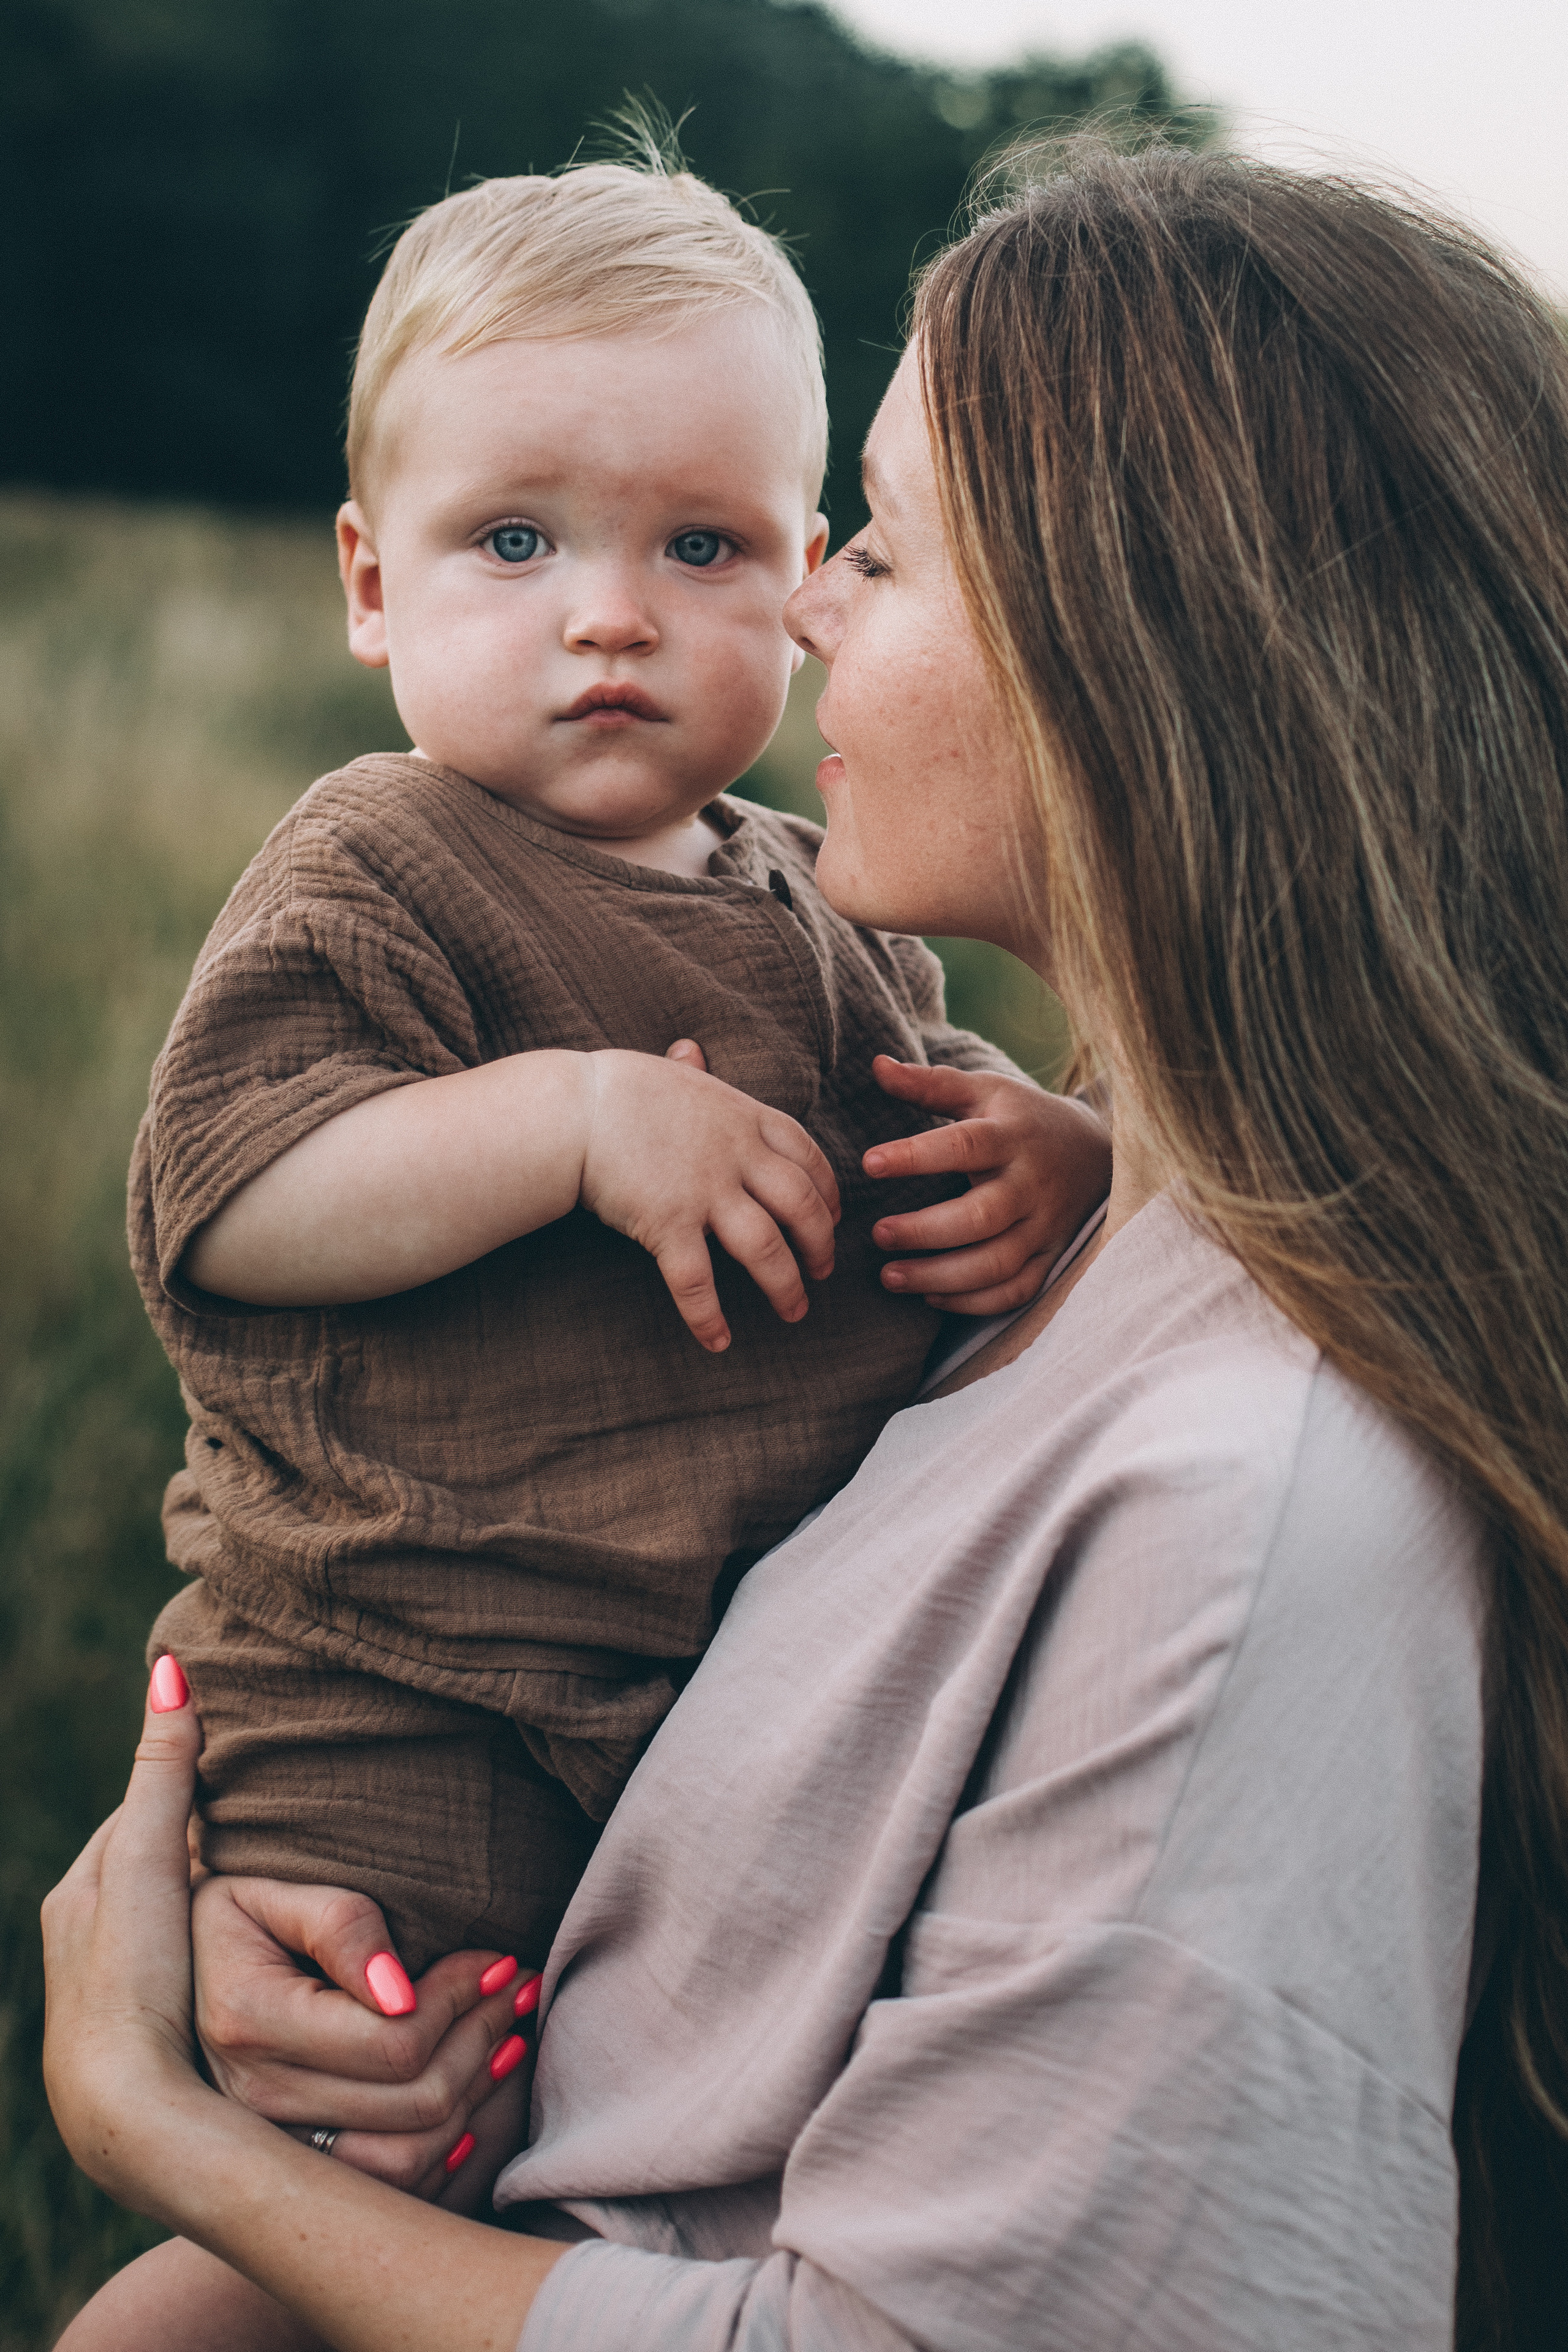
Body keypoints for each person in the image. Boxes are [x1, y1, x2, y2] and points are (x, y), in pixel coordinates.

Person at [45, 138, 1568, 2351]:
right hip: (444, 1840)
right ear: (377, 579)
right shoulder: (1192, 1221)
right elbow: (259, 1247)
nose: (799, 606)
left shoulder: (1264, 1506)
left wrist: (159, 2129)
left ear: (1142, 662)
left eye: (863, 543)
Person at [129, 132, 1106, 2069]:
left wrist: (1059, 1149)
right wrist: (568, 1122)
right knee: (333, 2146)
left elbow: (914, 1097)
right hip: (397, 1689)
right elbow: (231, 1197)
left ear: (807, 569)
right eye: (516, 541)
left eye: (703, 546)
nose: (611, 616)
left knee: (604, 2184)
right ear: (369, 581)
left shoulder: (809, 896)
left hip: (712, 1708)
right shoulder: (381, 862)